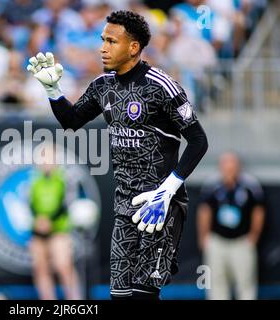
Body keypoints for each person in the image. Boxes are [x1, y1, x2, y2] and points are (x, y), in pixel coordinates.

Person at [27, 10, 208, 300]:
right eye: (102, 40)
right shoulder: (103, 85)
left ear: (133, 47)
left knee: (143, 296)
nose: (102, 47)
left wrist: (167, 191)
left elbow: (199, 141)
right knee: (120, 296)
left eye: (111, 41)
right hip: (124, 207)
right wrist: (52, 90)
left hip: (160, 205)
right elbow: (72, 121)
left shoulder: (162, 87)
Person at [197, 152, 265, 300]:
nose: (229, 167)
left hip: (242, 241)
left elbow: (258, 211)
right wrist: (204, 238)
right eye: (225, 163)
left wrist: (253, 236)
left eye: (232, 163)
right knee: (216, 283)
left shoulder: (250, 184)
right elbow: (204, 211)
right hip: (217, 241)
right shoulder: (212, 184)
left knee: (246, 283)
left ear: (238, 166)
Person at [28, 146, 82, 300]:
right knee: (40, 269)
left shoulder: (65, 179)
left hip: (59, 231)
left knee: (63, 266)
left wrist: (50, 221)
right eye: (43, 158)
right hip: (38, 232)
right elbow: (31, 205)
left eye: (49, 158)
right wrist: (38, 220)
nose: (46, 162)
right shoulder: (35, 181)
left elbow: (68, 204)